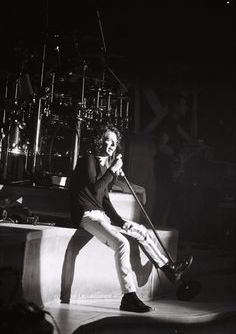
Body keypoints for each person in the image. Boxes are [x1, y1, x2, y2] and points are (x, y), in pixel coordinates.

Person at [69, 123, 193, 313]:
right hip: (86, 215)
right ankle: (129, 297)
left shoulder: (104, 168)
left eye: (114, 142)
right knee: (122, 244)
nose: (110, 145)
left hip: (101, 215)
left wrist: (122, 222)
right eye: (107, 140)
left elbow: (105, 202)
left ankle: (169, 269)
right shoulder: (88, 160)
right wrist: (112, 170)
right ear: (99, 140)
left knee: (141, 231)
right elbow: (95, 191)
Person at [153, 93, 196, 229]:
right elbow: (161, 144)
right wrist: (176, 155)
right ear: (176, 105)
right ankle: (159, 230)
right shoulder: (169, 123)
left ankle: (161, 229)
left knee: (166, 202)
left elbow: (185, 136)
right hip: (165, 168)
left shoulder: (173, 123)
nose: (186, 108)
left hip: (167, 168)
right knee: (164, 202)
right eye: (184, 104)